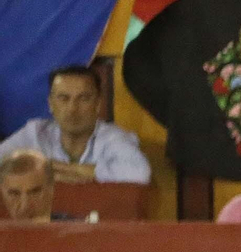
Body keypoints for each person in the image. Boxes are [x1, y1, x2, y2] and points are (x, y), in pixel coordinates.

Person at [0, 66, 151, 185]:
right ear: (50, 104)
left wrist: (65, 170)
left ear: (98, 104)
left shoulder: (112, 137)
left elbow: (141, 173)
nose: (72, 109)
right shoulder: (36, 132)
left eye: (83, 98)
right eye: (63, 98)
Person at [0, 150, 68, 222]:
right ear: (2, 193)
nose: (25, 206)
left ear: (51, 190)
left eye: (34, 192)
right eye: (14, 194)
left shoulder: (77, 229)